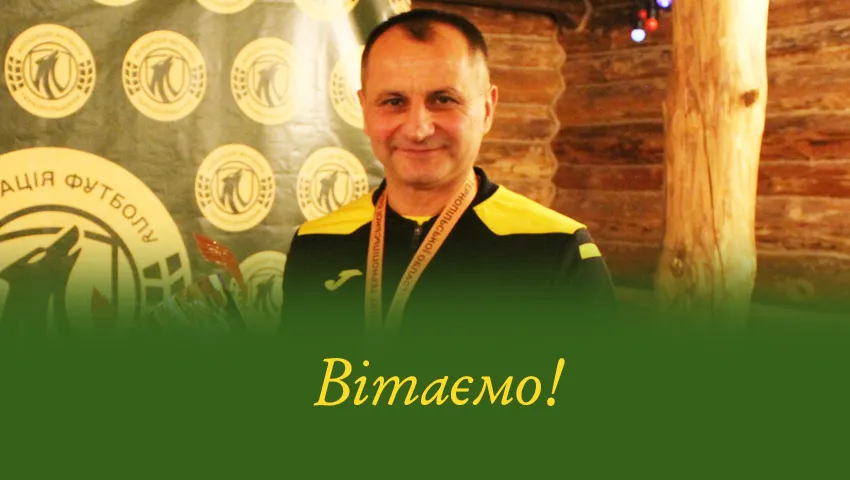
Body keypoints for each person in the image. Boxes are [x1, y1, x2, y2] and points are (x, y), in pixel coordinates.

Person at [279, 9, 617, 340]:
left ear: (487, 109)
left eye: (443, 99)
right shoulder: (317, 243)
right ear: (366, 111)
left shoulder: (556, 247)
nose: (418, 129)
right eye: (394, 102)